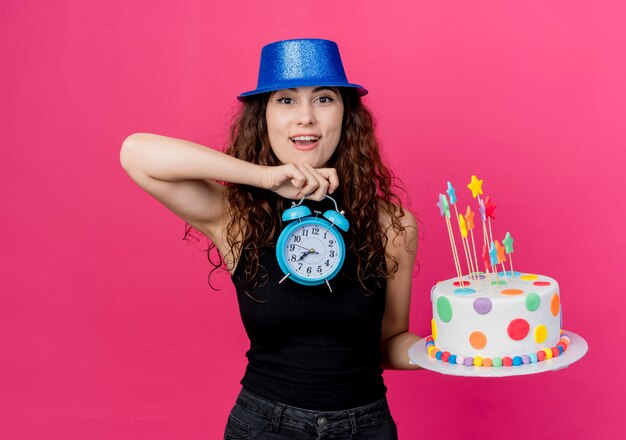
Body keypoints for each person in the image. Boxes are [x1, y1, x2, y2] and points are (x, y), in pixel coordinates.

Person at [120, 38, 422, 440]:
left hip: (366, 427)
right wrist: (264, 178)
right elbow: (135, 152)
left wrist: (451, 350)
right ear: (262, 117)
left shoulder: (391, 223)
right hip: (266, 427)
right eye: (286, 101)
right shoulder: (238, 214)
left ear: (347, 114)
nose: (306, 118)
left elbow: (389, 345)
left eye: (324, 98)